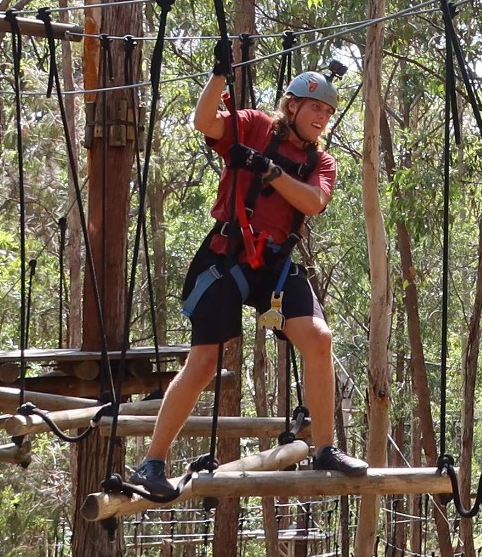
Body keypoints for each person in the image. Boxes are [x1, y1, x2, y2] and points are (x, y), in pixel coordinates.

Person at [120, 62, 361, 502]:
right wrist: (218, 73)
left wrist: (268, 171)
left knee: (318, 338)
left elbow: (314, 201)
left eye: (327, 112)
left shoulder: (320, 161)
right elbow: (204, 121)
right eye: (314, 108)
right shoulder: (254, 126)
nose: (322, 118)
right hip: (227, 256)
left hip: (274, 265)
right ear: (292, 106)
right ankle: (152, 461)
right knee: (205, 362)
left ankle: (326, 449)